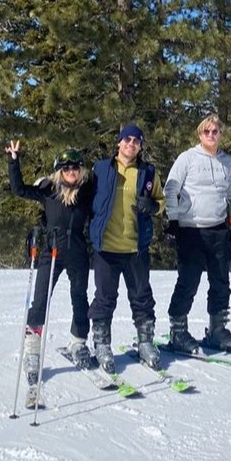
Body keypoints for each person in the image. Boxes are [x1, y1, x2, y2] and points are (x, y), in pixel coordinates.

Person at [6, 141, 94, 386]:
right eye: (66, 169)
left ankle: (78, 342)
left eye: (75, 168)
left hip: (77, 251)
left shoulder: (87, 191)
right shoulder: (49, 190)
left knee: (79, 297)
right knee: (41, 298)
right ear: (59, 171)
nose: (71, 173)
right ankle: (32, 350)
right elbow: (19, 189)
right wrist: (14, 161)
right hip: (51, 251)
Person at [164, 114, 231, 353]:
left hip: (219, 229)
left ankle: (217, 330)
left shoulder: (226, 161)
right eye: (206, 132)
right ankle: (178, 331)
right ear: (200, 134)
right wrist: (173, 220)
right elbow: (171, 188)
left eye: (215, 131)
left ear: (220, 133)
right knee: (188, 281)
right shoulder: (187, 158)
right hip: (191, 230)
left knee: (220, 282)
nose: (211, 135)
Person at [88, 124, 164, 372]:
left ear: (141, 146)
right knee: (104, 298)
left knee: (142, 297)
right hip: (106, 248)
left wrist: (153, 207)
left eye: (137, 141)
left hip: (136, 247)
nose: (131, 144)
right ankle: (101, 344)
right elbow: (82, 196)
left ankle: (145, 342)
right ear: (119, 143)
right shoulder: (100, 169)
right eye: (127, 139)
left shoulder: (149, 172)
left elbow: (161, 202)